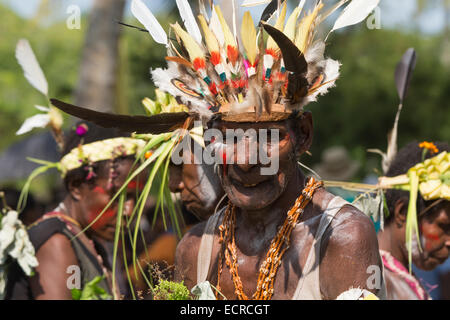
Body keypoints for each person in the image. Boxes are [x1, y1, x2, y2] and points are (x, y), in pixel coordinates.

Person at [49, 0, 385, 299]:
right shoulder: (194, 249)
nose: (245, 160)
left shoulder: (341, 236)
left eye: (268, 138)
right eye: (228, 138)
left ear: (303, 134)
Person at [5, 122, 146, 300]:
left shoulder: (87, 239)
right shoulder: (56, 242)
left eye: (136, 197)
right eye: (117, 196)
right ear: (76, 187)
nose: (129, 210)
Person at [377, 141, 450, 300]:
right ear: (402, 212)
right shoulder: (376, 283)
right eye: (444, 226)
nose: (449, 242)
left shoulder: (392, 277)